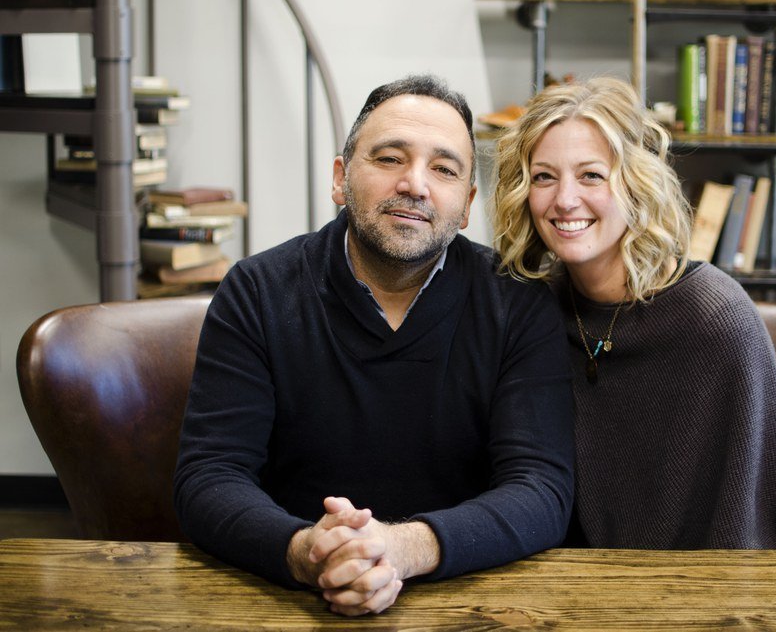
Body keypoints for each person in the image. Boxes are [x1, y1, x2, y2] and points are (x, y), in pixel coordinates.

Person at [173, 74, 575, 616]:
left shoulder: (518, 304)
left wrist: (403, 549)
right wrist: (306, 553)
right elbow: (209, 477)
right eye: (389, 158)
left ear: (466, 205)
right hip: (289, 602)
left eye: (444, 169)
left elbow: (541, 490)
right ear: (341, 179)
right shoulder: (257, 291)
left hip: (471, 604)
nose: (415, 184)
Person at [491, 77, 776, 551]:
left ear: (636, 183)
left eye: (591, 176)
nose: (564, 199)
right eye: (544, 176)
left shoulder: (715, 317)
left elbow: (745, 524)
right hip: (589, 579)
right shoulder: (537, 310)